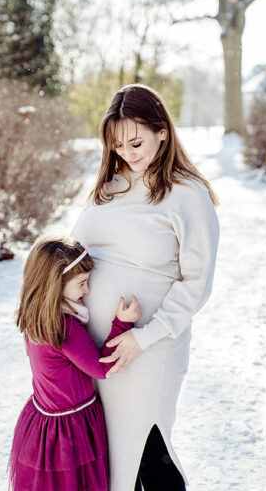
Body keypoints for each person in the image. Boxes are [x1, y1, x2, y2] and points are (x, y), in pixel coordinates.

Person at [71, 84, 220, 491]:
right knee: (112, 459)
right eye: (118, 146)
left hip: (150, 347)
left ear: (163, 132)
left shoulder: (188, 195)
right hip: (94, 350)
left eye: (136, 142)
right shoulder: (109, 187)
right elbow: (74, 256)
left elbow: (197, 282)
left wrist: (144, 337)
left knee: (149, 449)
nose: (128, 154)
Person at [8, 236, 141, 491]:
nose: (87, 290)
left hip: (42, 421)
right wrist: (122, 324)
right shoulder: (64, 327)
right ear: (55, 284)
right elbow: (102, 367)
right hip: (69, 430)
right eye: (82, 283)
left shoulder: (37, 318)